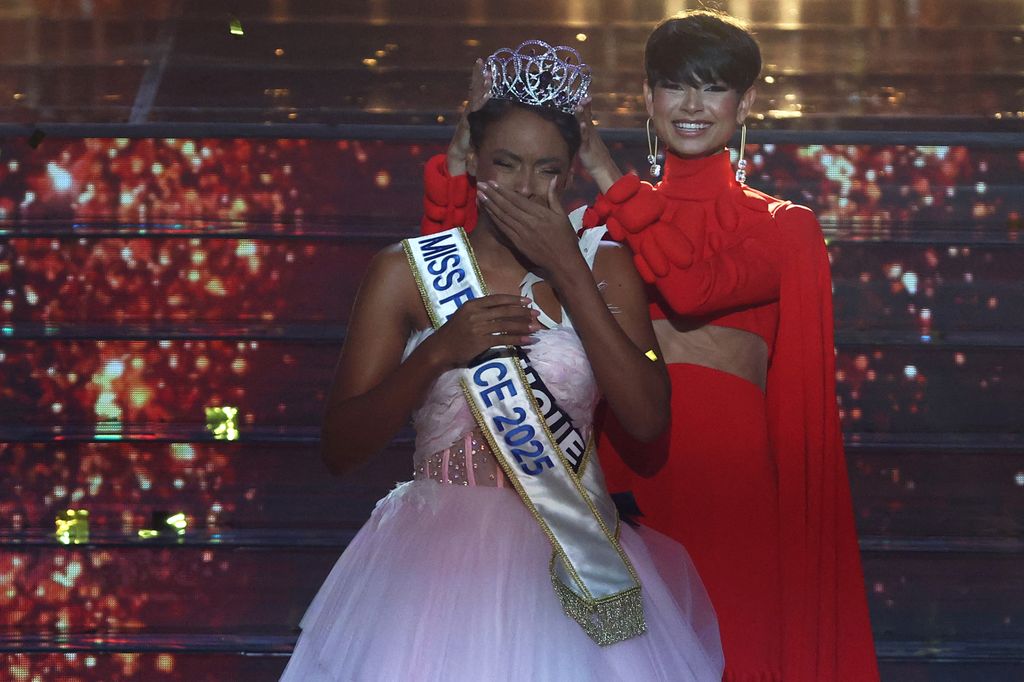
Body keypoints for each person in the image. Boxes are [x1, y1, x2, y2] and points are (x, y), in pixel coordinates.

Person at [422, 13, 880, 682]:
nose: (691, 106)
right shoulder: (591, 224)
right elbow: (458, 280)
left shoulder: (783, 228)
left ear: (746, 102)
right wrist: (465, 149)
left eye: (714, 87)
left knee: (735, 653)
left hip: (730, 489)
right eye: (673, 85)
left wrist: (605, 166)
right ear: (647, 96)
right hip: (620, 473)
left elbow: (691, 287)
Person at [281, 41, 723, 681]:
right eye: (506, 164)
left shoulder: (605, 265)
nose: (523, 187)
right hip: (433, 565)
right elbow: (340, 448)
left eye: (545, 169)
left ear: (569, 172)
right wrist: (437, 352)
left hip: (570, 554)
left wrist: (570, 271)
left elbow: (649, 419)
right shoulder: (407, 273)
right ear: (475, 164)